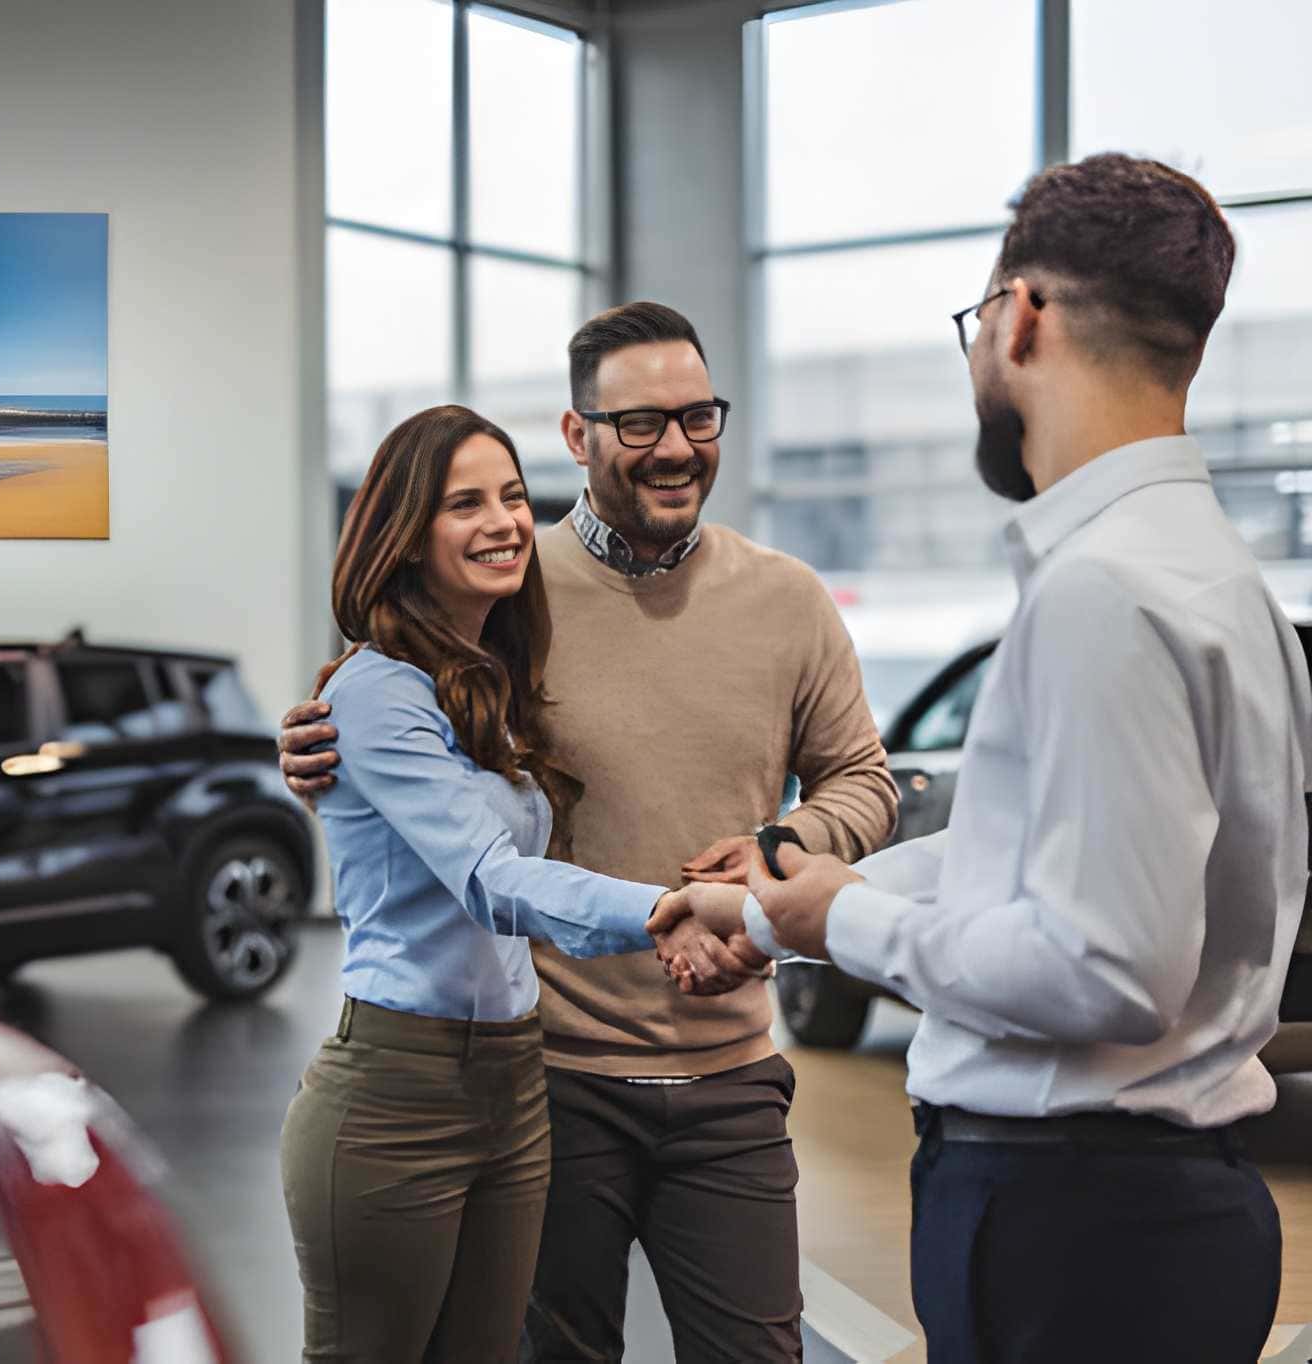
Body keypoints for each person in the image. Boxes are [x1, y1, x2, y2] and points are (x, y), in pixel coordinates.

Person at [711, 153, 1312, 1362]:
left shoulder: (1101, 592)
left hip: (1073, 1232)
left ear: (1018, 315)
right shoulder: (1216, 579)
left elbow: (1106, 966)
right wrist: (771, 905)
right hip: (1148, 1217)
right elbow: (1030, 858)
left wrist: (842, 926)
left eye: (975, 321)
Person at [280, 303, 899, 1362]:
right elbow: (416, 739)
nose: (674, 445)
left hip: (728, 1068)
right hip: (552, 1078)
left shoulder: (787, 598)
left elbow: (861, 778)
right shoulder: (513, 597)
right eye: (641, 421)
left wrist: (774, 849)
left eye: (697, 415)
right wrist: (315, 748)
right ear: (579, 434)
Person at [278, 404, 737, 1364]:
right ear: (404, 534)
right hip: (395, 1091)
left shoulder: (492, 674)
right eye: (464, 504)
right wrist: (657, 910)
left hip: (515, 1088)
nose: (503, 522)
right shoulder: (376, 690)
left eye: (514, 496)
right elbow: (491, 880)